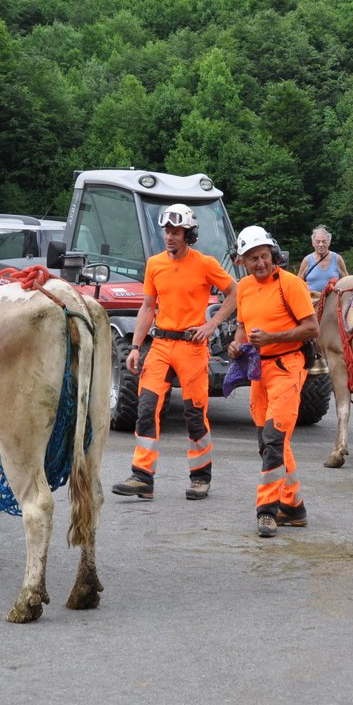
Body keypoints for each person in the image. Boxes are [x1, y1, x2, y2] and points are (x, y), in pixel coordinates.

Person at [112, 204, 238, 502]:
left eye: (176, 232)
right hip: (160, 345)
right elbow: (147, 307)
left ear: (188, 234)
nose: (169, 236)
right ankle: (142, 476)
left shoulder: (205, 263)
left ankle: (200, 477)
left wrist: (213, 324)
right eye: (167, 231)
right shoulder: (155, 264)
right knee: (145, 408)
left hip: (192, 348)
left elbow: (234, 292)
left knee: (195, 415)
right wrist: (133, 347)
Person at [229, 225, 318, 538]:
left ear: (273, 254)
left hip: (288, 367)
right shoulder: (244, 288)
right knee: (269, 442)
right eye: (252, 258)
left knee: (274, 439)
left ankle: (267, 511)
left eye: (263, 256)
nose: (260, 263)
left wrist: (272, 338)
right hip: (258, 371)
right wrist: (237, 344)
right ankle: (294, 508)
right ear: (243, 261)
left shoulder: (290, 284)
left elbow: (312, 329)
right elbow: (243, 327)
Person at [297, 225, 349, 293]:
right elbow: (298, 283)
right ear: (313, 243)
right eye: (318, 242)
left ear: (329, 242)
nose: (321, 245)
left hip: (333, 301)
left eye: (324, 241)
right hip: (311, 301)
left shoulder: (337, 259)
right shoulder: (307, 260)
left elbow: (347, 281)